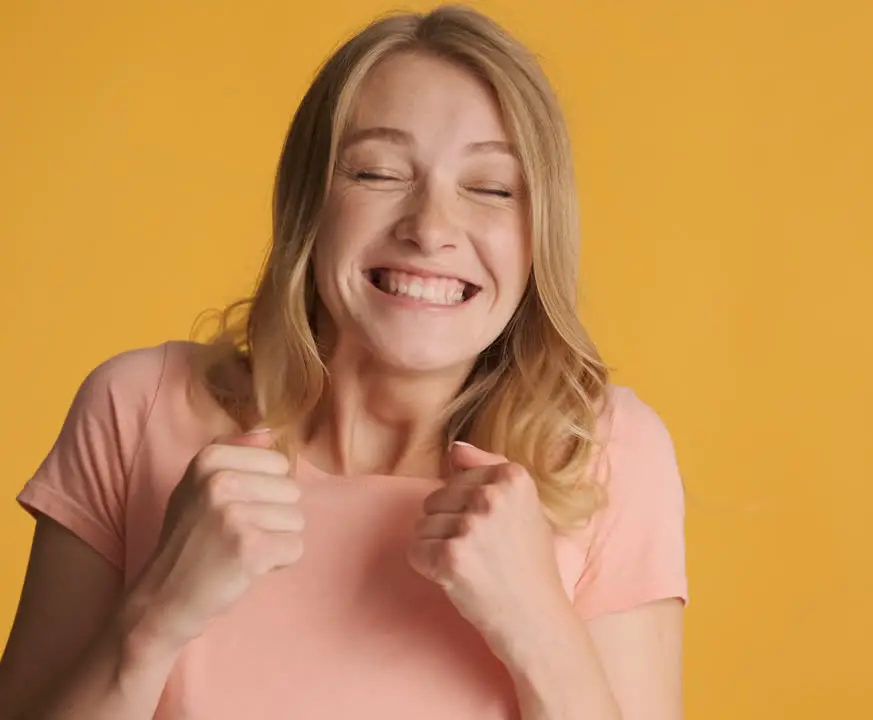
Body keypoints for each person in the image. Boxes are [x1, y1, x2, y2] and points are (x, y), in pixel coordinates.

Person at [0, 6, 687, 719]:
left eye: (490, 188)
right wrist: (157, 617)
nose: (429, 229)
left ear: (540, 231)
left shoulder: (601, 454)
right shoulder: (136, 410)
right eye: (378, 172)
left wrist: (540, 627)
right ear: (309, 204)